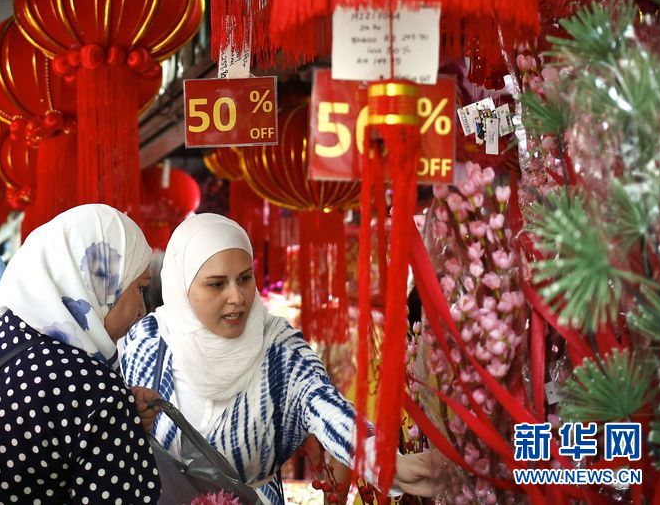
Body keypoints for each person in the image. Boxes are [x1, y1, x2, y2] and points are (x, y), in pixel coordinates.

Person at [120, 214, 440, 505]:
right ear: (182, 286)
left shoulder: (277, 348)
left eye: (245, 279)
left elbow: (323, 404)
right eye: (217, 284)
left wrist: (384, 459)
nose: (237, 297)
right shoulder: (147, 342)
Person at [0, 204, 162, 504]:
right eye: (139, 288)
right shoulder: (95, 390)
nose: (142, 310)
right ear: (102, 282)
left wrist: (121, 420)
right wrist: (118, 422)